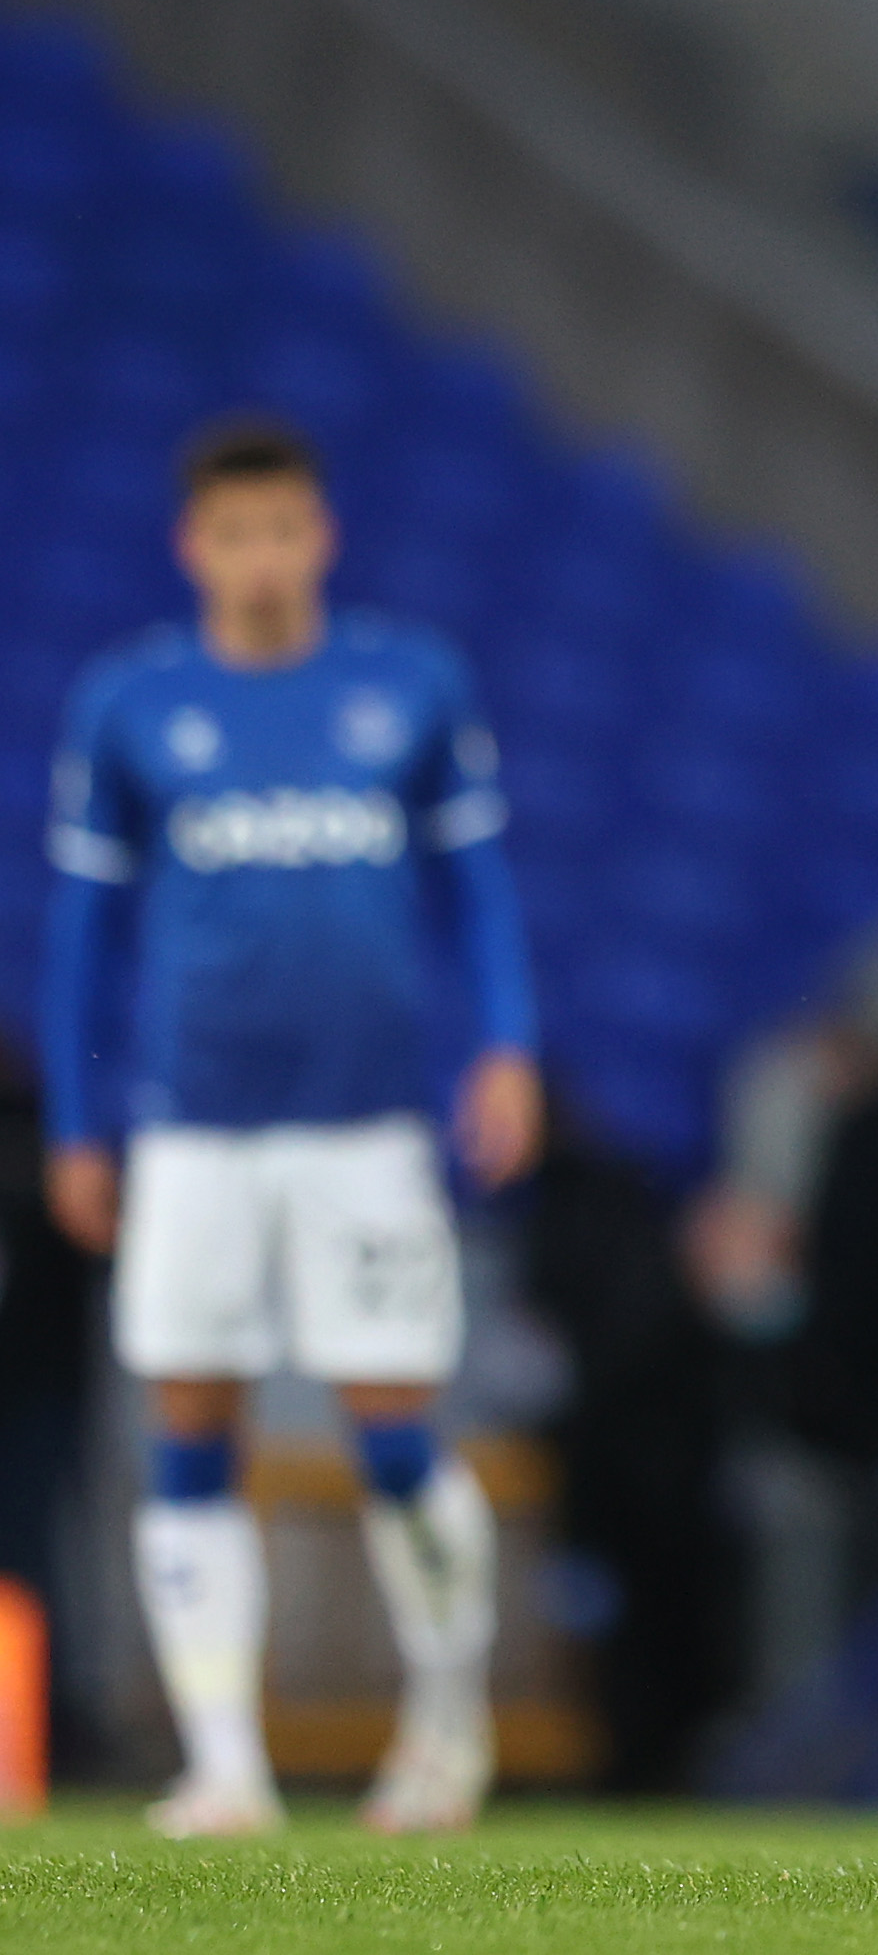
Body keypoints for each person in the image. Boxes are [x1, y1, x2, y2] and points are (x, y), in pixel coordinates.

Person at [39, 417, 541, 1836]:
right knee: (188, 1427)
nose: (261, 558)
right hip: (192, 1129)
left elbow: (481, 893)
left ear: (320, 537)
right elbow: (84, 932)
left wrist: (505, 1047)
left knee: (394, 1429)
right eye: (233, 534)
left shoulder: (411, 686)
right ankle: (225, 1765)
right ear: (192, 546)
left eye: (284, 530)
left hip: (367, 1134)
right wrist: (81, 1123)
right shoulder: (132, 706)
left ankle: (446, 1724)